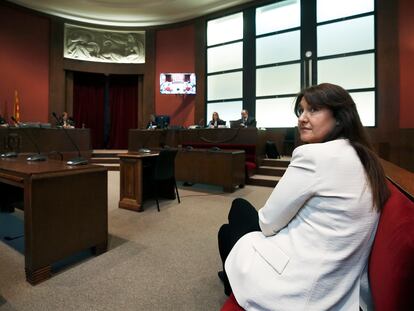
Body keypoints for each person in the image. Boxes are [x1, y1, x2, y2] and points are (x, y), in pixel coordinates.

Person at [217, 83, 390, 310]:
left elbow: (267, 223)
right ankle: (232, 278)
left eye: (313, 110)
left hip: (303, 285)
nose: (302, 118)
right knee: (232, 225)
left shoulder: (315, 156)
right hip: (338, 277)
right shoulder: (364, 155)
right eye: (301, 111)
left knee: (234, 215)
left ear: (340, 118)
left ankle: (234, 282)